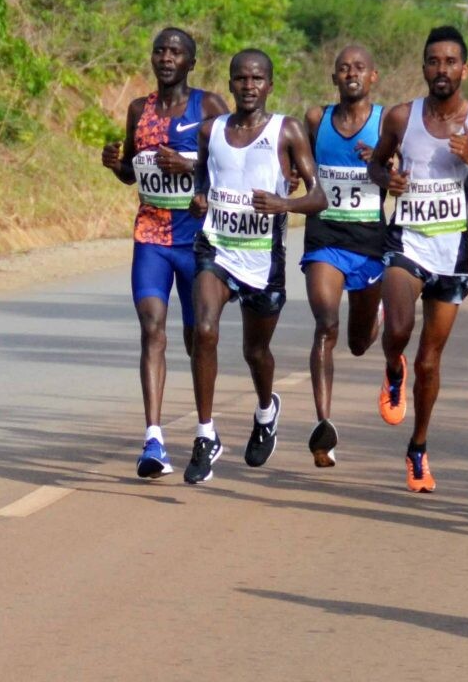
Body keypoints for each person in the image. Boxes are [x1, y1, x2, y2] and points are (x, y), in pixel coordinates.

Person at [367, 26, 468, 492]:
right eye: (434, 61)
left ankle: (418, 448)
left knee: (430, 362)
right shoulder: (401, 116)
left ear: (464, 69)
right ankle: (393, 368)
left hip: (452, 250)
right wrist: (387, 180)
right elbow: (376, 165)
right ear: (424, 67)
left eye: (450, 62)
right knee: (398, 330)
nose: (441, 69)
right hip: (407, 240)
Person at [184, 49, 326, 484]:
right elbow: (204, 177)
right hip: (216, 247)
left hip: (263, 258)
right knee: (204, 330)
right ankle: (205, 435)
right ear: (230, 83)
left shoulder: (288, 130)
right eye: (241, 78)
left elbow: (319, 197)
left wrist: (285, 204)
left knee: (255, 351)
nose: (249, 86)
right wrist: (199, 198)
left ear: (270, 84)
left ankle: (266, 411)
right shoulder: (211, 130)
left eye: (257, 79)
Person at [101, 27, 228, 480]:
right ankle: (153, 439)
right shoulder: (140, 109)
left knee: (198, 339)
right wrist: (116, 164)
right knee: (151, 327)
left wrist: (190, 166)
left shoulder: (209, 107)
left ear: (191, 62)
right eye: (160, 51)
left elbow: (232, 163)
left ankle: (206, 432)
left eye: (176, 52)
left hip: (197, 240)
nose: (166, 58)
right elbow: (133, 171)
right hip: (151, 235)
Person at [301, 46, 386, 468]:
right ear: (333, 77)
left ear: (373, 76)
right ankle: (324, 427)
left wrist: (383, 164)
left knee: (357, 343)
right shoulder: (317, 120)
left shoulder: (387, 122)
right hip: (325, 237)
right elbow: (298, 166)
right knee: (326, 325)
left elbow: (402, 175)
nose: (351, 73)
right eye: (343, 68)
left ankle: (377, 317)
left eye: (359, 68)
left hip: (369, 242)